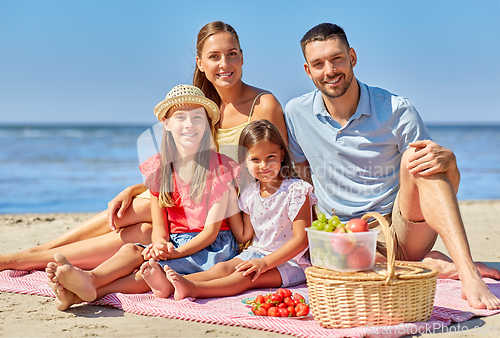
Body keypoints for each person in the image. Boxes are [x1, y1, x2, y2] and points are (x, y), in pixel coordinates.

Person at [0, 21, 287, 272]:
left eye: (231, 54)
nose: (224, 64)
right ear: (200, 62)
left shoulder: (263, 104)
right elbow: (183, 165)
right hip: (193, 195)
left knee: (139, 215)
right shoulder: (200, 107)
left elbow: (279, 167)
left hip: (228, 207)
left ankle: (29, 258)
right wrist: (134, 187)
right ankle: (37, 254)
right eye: (214, 56)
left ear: (242, 57)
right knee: (141, 224)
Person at [284, 23, 500, 310]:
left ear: (352, 57)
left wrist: (452, 163)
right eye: (318, 64)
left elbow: (441, 183)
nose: (330, 71)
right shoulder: (296, 113)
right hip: (344, 234)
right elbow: (303, 182)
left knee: (418, 157)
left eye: (337, 59)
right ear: (307, 70)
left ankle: (467, 272)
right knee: (338, 262)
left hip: (402, 228)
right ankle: (426, 265)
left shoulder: (397, 109)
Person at [49, 120, 316, 303]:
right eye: (255, 159)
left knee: (242, 278)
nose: (264, 165)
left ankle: (193, 288)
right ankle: (89, 289)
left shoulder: (296, 190)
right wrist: (227, 201)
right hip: (257, 254)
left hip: (289, 263)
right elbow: (244, 232)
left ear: (282, 154)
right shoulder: (248, 194)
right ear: (245, 162)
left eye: (271, 157)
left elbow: (301, 240)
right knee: (224, 267)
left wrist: (264, 263)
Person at [45, 84, 242, 310]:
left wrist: (172, 252)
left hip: (211, 247)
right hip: (175, 241)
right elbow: (160, 226)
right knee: (132, 250)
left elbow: (209, 234)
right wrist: (159, 244)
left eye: (198, 117)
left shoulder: (219, 168)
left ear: (207, 124)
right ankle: (90, 279)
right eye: (181, 117)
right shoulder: (161, 169)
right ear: (166, 124)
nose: (190, 124)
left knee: (150, 271)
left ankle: (88, 290)